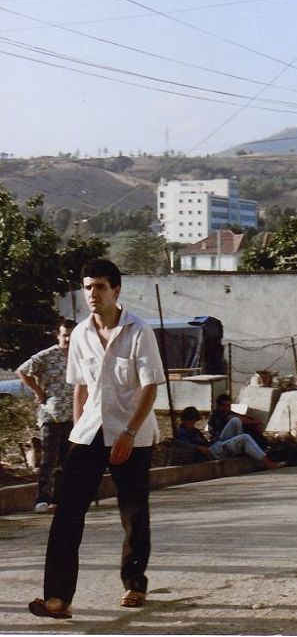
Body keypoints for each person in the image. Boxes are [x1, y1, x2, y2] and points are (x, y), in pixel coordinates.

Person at [29, 259, 165, 620]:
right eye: (88, 287)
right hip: (89, 432)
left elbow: (150, 388)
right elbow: (81, 388)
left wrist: (129, 433)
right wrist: (77, 434)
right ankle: (58, 598)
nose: (93, 294)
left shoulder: (139, 331)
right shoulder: (80, 334)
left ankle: (134, 583)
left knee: (133, 512)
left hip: (132, 433)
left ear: (116, 290)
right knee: (67, 513)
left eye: (100, 286)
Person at [17, 319, 77, 513]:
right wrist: (38, 392)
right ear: (58, 335)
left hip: (74, 416)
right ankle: (43, 498)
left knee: (68, 460)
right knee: (49, 459)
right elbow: (23, 371)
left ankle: (61, 498)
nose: (68, 339)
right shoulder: (47, 355)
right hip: (51, 415)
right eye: (65, 335)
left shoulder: (81, 355)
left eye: (72, 335)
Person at [175, 407, 283, 469]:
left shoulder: (193, 430)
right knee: (244, 438)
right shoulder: (182, 433)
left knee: (235, 421)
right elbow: (185, 445)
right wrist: (200, 448)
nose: (193, 424)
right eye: (192, 421)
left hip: (214, 446)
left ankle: (240, 450)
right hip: (212, 453)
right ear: (186, 420)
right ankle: (268, 463)